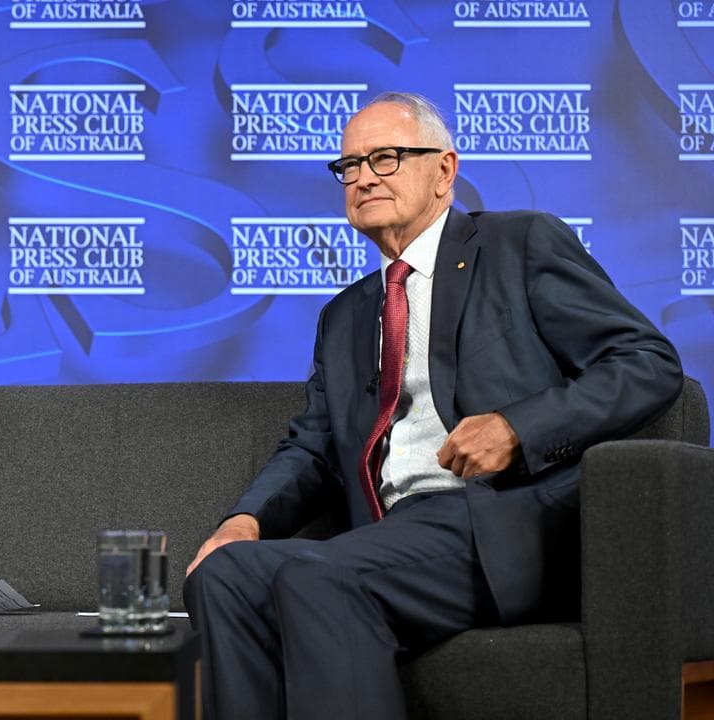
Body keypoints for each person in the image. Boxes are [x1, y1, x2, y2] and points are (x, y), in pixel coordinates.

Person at [182, 92, 683, 718]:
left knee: (315, 577)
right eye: (349, 166)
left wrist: (517, 427)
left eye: (385, 158)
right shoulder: (344, 316)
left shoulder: (519, 245)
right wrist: (246, 522)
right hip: (392, 538)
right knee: (223, 577)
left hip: (497, 522)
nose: (362, 177)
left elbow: (647, 362)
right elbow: (311, 447)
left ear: (444, 171)